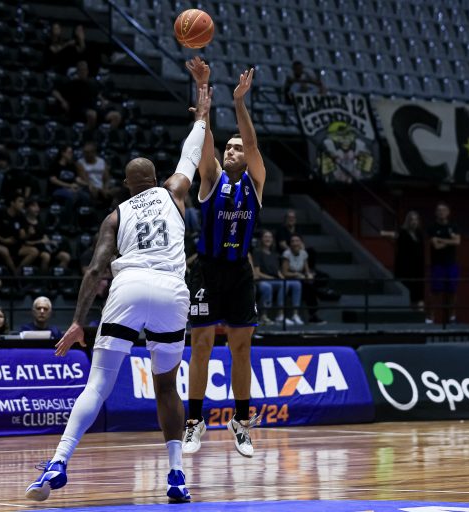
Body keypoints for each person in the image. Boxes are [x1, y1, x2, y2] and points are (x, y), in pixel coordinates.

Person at [25, 84, 212, 504]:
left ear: (127, 185)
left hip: (128, 287)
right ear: (155, 179)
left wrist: (78, 322)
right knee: (167, 388)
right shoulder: (174, 192)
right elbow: (191, 152)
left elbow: (95, 271)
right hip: (171, 291)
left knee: (97, 385)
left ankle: (58, 462)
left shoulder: (116, 215)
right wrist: (202, 113)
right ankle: (176, 475)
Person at [183, 56, 265, 457]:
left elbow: (251, 143)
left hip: (240, 273)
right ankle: (194, 422)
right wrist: (204, 91)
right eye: (228, 148)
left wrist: (239, 102)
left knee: (241, 348)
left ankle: (241, 422)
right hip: (206, 271)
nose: (232, 151)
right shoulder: (212, 178)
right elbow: (206, 141)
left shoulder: (256, 182)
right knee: (200, 345)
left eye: (237, 148)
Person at [252, 230, 301, 325]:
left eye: (270, 237)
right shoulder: (257, 252)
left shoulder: (274, 253)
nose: (268, 239)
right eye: (266, 237)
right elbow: (257, 272)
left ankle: (289, 315)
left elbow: (278, 271)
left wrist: (282, 278)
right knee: (267, 287)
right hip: (262, 280)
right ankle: (264, 316)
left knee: (295, 284)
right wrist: (270, 278)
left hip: (274, 280)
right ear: (261, 239)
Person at [380, 211, 425, 312]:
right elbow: (394, 235)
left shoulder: (419, 234)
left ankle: (419, 315)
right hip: (405, 268)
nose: (414, 222)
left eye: (416, 219)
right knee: (407, 291)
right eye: (412, 219)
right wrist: (383, 233)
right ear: (408, 221)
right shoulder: (403, 232)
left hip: (417, 269)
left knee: (418, 294)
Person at [428, 202, 461, 324]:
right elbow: (436, 246)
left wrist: (441, 239)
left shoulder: (454, 226)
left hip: (451, 263)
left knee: (452, 291)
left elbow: (457, 242)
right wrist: (450, 240)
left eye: (444, 210)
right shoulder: (432, 227)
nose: (441, 213)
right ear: (436, 213)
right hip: (437, 264)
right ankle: (430, 317)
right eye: (439, 210)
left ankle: (452, 317)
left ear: (448, 212)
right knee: (435, 291)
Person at [282, 234, 325, 325]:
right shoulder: (287, 254)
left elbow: (306, 270)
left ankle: (313, 314)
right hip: (290, 280)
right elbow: (284, 273)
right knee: (308, 288)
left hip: (301, 279)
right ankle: (312, 315)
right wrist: (297, 274)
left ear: (301, 243)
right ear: (290, 244)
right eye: (293, 241)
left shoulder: (304, 253)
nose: (295, 243)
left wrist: (309, 275)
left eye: (297, 241)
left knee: (314, 282)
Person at [22, 198, 71, 272]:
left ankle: (56, 276)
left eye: (37, 206)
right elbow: (24, 242)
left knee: (66, 256)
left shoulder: (39, 221)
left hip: (45, 247)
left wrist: (50, 241)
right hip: (35, 248)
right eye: (33, 206)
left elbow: (44, 235)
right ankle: (44, 277)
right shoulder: (23, 222)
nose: (37, 208)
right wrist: (40, 241)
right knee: (46, 256)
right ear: (27, 208)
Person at [0, 193, 28, 276]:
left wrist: (26, 234)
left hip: (11, 244)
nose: (22, 204)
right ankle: (15, 275)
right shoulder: (0, 213)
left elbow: (23, 235)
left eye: (23, 202)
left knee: (33, 251)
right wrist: (2, 240)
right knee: (4, 251)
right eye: (20, 201)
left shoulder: (21, 216)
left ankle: (19, 269)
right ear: (12, 203)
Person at [48, 145, 91, 227]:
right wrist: (69, 185)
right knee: (72, 196)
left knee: (85, 196)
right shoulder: (55, 165)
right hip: (57, 190)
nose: (71, 154)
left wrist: (88, 184)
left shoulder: (71, 166)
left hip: (72, 189)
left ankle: (82, 222)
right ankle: (66, 222)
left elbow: (77, 179)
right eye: (69, 152)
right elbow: (53, 180)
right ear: (63, 153)